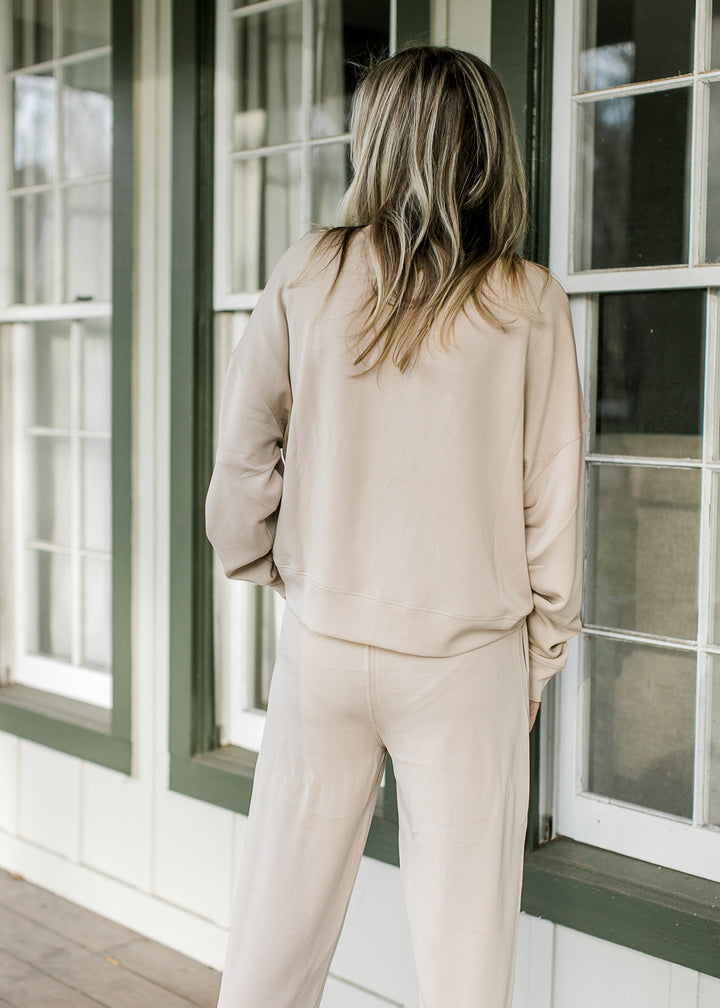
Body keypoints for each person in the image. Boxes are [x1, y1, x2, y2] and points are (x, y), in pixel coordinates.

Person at [206, 44, 586, 1008]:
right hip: (467, 663)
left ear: (377, 141)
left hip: (326, 645)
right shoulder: (528, 300)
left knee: (271, 941)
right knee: (466, 962)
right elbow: (552, 505)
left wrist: (264, 559)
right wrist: (537, 662)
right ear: (488, 151)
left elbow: (245, 454)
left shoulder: (312, 270)